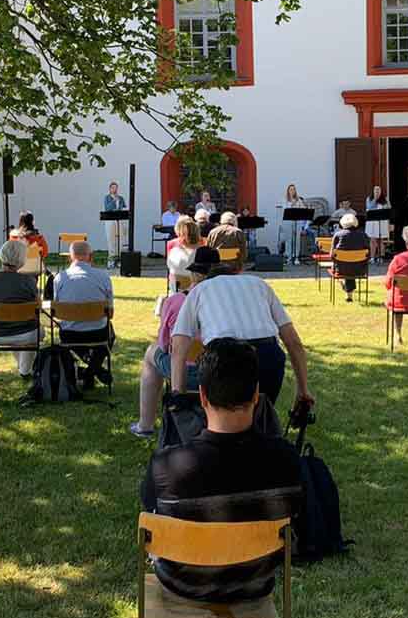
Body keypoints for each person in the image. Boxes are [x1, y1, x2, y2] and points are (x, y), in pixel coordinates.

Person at [141, 337, 303, 610]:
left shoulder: (165, 465)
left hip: (182, 584)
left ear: (202, 395)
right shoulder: (287, 459)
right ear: (256, 395)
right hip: (255, 582)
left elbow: (149, 505)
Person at [170, 230, 312, 409]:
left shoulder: (200, 290)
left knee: (223, 424)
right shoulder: (260, 285)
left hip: (223, 359)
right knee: (261, 418)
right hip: (268, 358)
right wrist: (303, 389)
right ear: (243, 257)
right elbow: (293, 342)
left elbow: (178, 347)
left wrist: (178, 396)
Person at [130, 247, 199, 438]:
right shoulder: (224, 302)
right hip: (219, 370)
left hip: (185, 370)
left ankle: (146, 424)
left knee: (152, 353)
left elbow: (164, 343)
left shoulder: (176, 301)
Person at [52, 239, 114, 388]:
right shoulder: (104, 276)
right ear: (91, 257)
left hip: (69, 333)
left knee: (72, 333)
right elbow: (110, 313)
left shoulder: (59, 278)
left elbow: (57, 311)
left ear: (69, 258)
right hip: (97, 333)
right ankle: (93, 371)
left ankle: (89, 372)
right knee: (109, 335)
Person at [0, 240, 42, 377]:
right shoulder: (29, 281)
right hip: (27, 334)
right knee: (33, 330)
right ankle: (25, 370)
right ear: (22, 260)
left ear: (1, 256)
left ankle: (24, 369)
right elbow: (38, 307)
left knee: (17, 324)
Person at [332, 212, 370, 301]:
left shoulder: (337, 235)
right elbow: (369, 254)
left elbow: (332, 255)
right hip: (360, 269)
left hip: (341, 269)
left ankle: (347, 291)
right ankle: (349, 293)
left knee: (345, 264)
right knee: (352, 263)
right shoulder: (363, 235)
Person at [279, 183, 307, 264]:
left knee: (297, 239)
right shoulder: (285, 200)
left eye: (294, 189)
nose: (292, 191)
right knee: (288, 240)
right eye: (291, 189)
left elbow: (304, 209)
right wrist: (292, 204)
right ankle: (289, 257)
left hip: (297, 221)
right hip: (288, 222)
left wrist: (299, 204)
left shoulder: (299, 200)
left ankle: (296, 257)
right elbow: (285, 210)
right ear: (288, 191)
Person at [103, 181, 127, 270]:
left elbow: (124, 207)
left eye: (116, 187)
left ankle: (119, 260)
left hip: (119, 220)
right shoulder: (107, 198)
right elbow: (107, 208)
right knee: (111, 239)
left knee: (120, 240)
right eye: (113, 187)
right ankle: (111, 261)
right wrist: (114, 200)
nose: (114, 189)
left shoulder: (120, 198)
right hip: (110, 220)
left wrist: (120, 205)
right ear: (110, 189)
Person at [365, 184, 390, 261]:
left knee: (381, 240)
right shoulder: (369, 199)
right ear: (373, 191)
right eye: (375, 190)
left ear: (381, 191)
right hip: (372, 222)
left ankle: (381, 257)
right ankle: (372, 257)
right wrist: (375, 199)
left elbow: (388, 208)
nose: (377, 192)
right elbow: (369, 207)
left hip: (382, 222)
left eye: (378, 190)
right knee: (373, 240)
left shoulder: (385, 199)